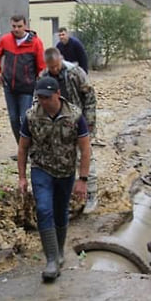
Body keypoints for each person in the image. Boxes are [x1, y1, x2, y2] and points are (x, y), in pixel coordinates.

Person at [18, 76, 91, 282]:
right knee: (43, 209)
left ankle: (59, 253)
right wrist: (22, 177)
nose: (43, 101)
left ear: (58, 94)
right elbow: (23, 147)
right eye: (39, 97)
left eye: (47, 97)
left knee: (60, 212)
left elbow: (85, 149)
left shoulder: (75, 116)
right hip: (41, 169)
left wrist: (82, 179)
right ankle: (50, 260)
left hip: (66, 172)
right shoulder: (31, 116)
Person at [36, 47, 99, 212]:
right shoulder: (44, 77)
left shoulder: (75, 73)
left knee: (85, 156)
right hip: (57, 124)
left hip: (79, 120)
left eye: (57, 66)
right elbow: (38, 103)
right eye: (52, 68)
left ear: (61, 59)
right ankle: (69, 196)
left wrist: (89, 122)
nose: (55, 70)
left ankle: (91, 193)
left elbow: (90, 98)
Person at [0, 15, 46, 145]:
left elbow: (41, 67)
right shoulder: (6, 40)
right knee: (14, 119)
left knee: (25, 118)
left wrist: (41, 84)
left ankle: (31, 147)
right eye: (14, 26)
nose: (16, 29)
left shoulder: (35, 43)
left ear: (25, 26)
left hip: (26, 87)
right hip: (9, 86)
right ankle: (22, 148)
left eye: (19, 26)